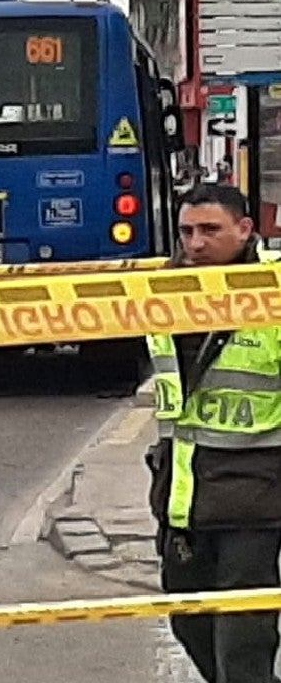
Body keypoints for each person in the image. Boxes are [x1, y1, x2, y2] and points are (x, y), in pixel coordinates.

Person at [146, 183, 281, 683]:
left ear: (245, 230)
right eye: (186, 232)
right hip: (182, 491)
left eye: (210, 230)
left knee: (244, 641)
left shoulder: (271, 295)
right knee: (189, 623)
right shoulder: (160, 294)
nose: (195, 244)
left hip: (255, 495)